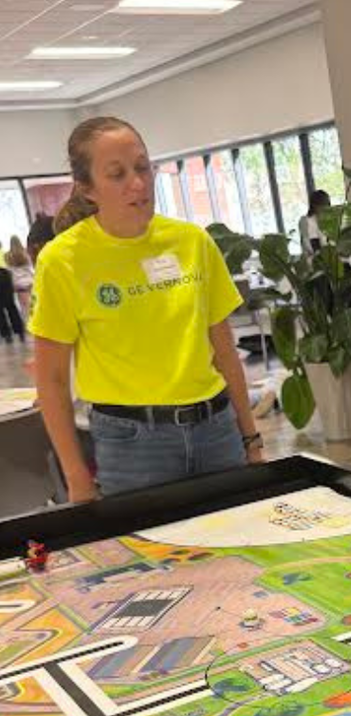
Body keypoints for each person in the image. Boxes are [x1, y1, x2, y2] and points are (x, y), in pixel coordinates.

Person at [30, 116, 263, 503]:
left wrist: (250, 438)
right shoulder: (62, 261)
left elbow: (224, 350)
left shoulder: (192, 242)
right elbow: (51, 380)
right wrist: (77, 476)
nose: (137, 184)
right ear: (87, 188)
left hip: (217, 431)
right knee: (158, 558)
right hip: (134, 445)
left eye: (142, 167)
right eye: (117, 174)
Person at [5, 237, 34, 319]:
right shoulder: (25, 253)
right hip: (30, 282)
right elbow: (30, 267)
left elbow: (9, 271)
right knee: (34, 304)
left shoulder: (7, 256)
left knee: (24, 308)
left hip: (19, 286)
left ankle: (29, 324)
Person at [299, 190, 331, 259]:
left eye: (326, 206)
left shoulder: (328, 221)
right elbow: (305, 241)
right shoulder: (305, 220)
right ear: (314, 205)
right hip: (312, 257)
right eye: (321, 206)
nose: (324, 209)